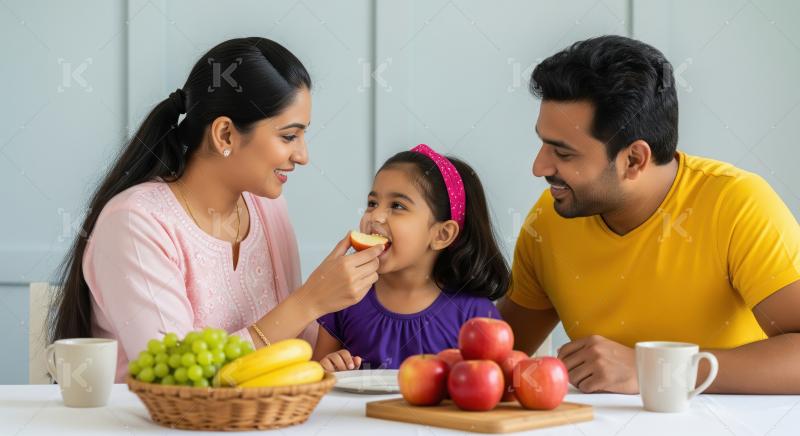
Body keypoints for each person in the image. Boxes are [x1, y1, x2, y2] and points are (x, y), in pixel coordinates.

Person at [48, 37, 384, 382]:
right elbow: (176, 375)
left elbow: (293, 344)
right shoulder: (135, 223)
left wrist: (326, 355)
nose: (302, 156)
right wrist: (309, 301)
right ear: (225, 134)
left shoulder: (268, 209)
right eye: (288, 137)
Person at [499, 35, 800, 394]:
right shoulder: (549, 218)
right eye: (542, 143)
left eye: (563, 154)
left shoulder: (736, 205)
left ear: (634, 160)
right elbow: (494, 356)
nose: (538, 167)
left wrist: (657, 371)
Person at [313, 144, 509, 371]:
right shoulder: (344, 296)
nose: (375, 216)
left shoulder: (476, 315)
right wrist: (328, 369)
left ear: (441, 235)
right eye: (372, 203)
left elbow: (492, 388)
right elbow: (314, 386)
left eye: (397, 206)